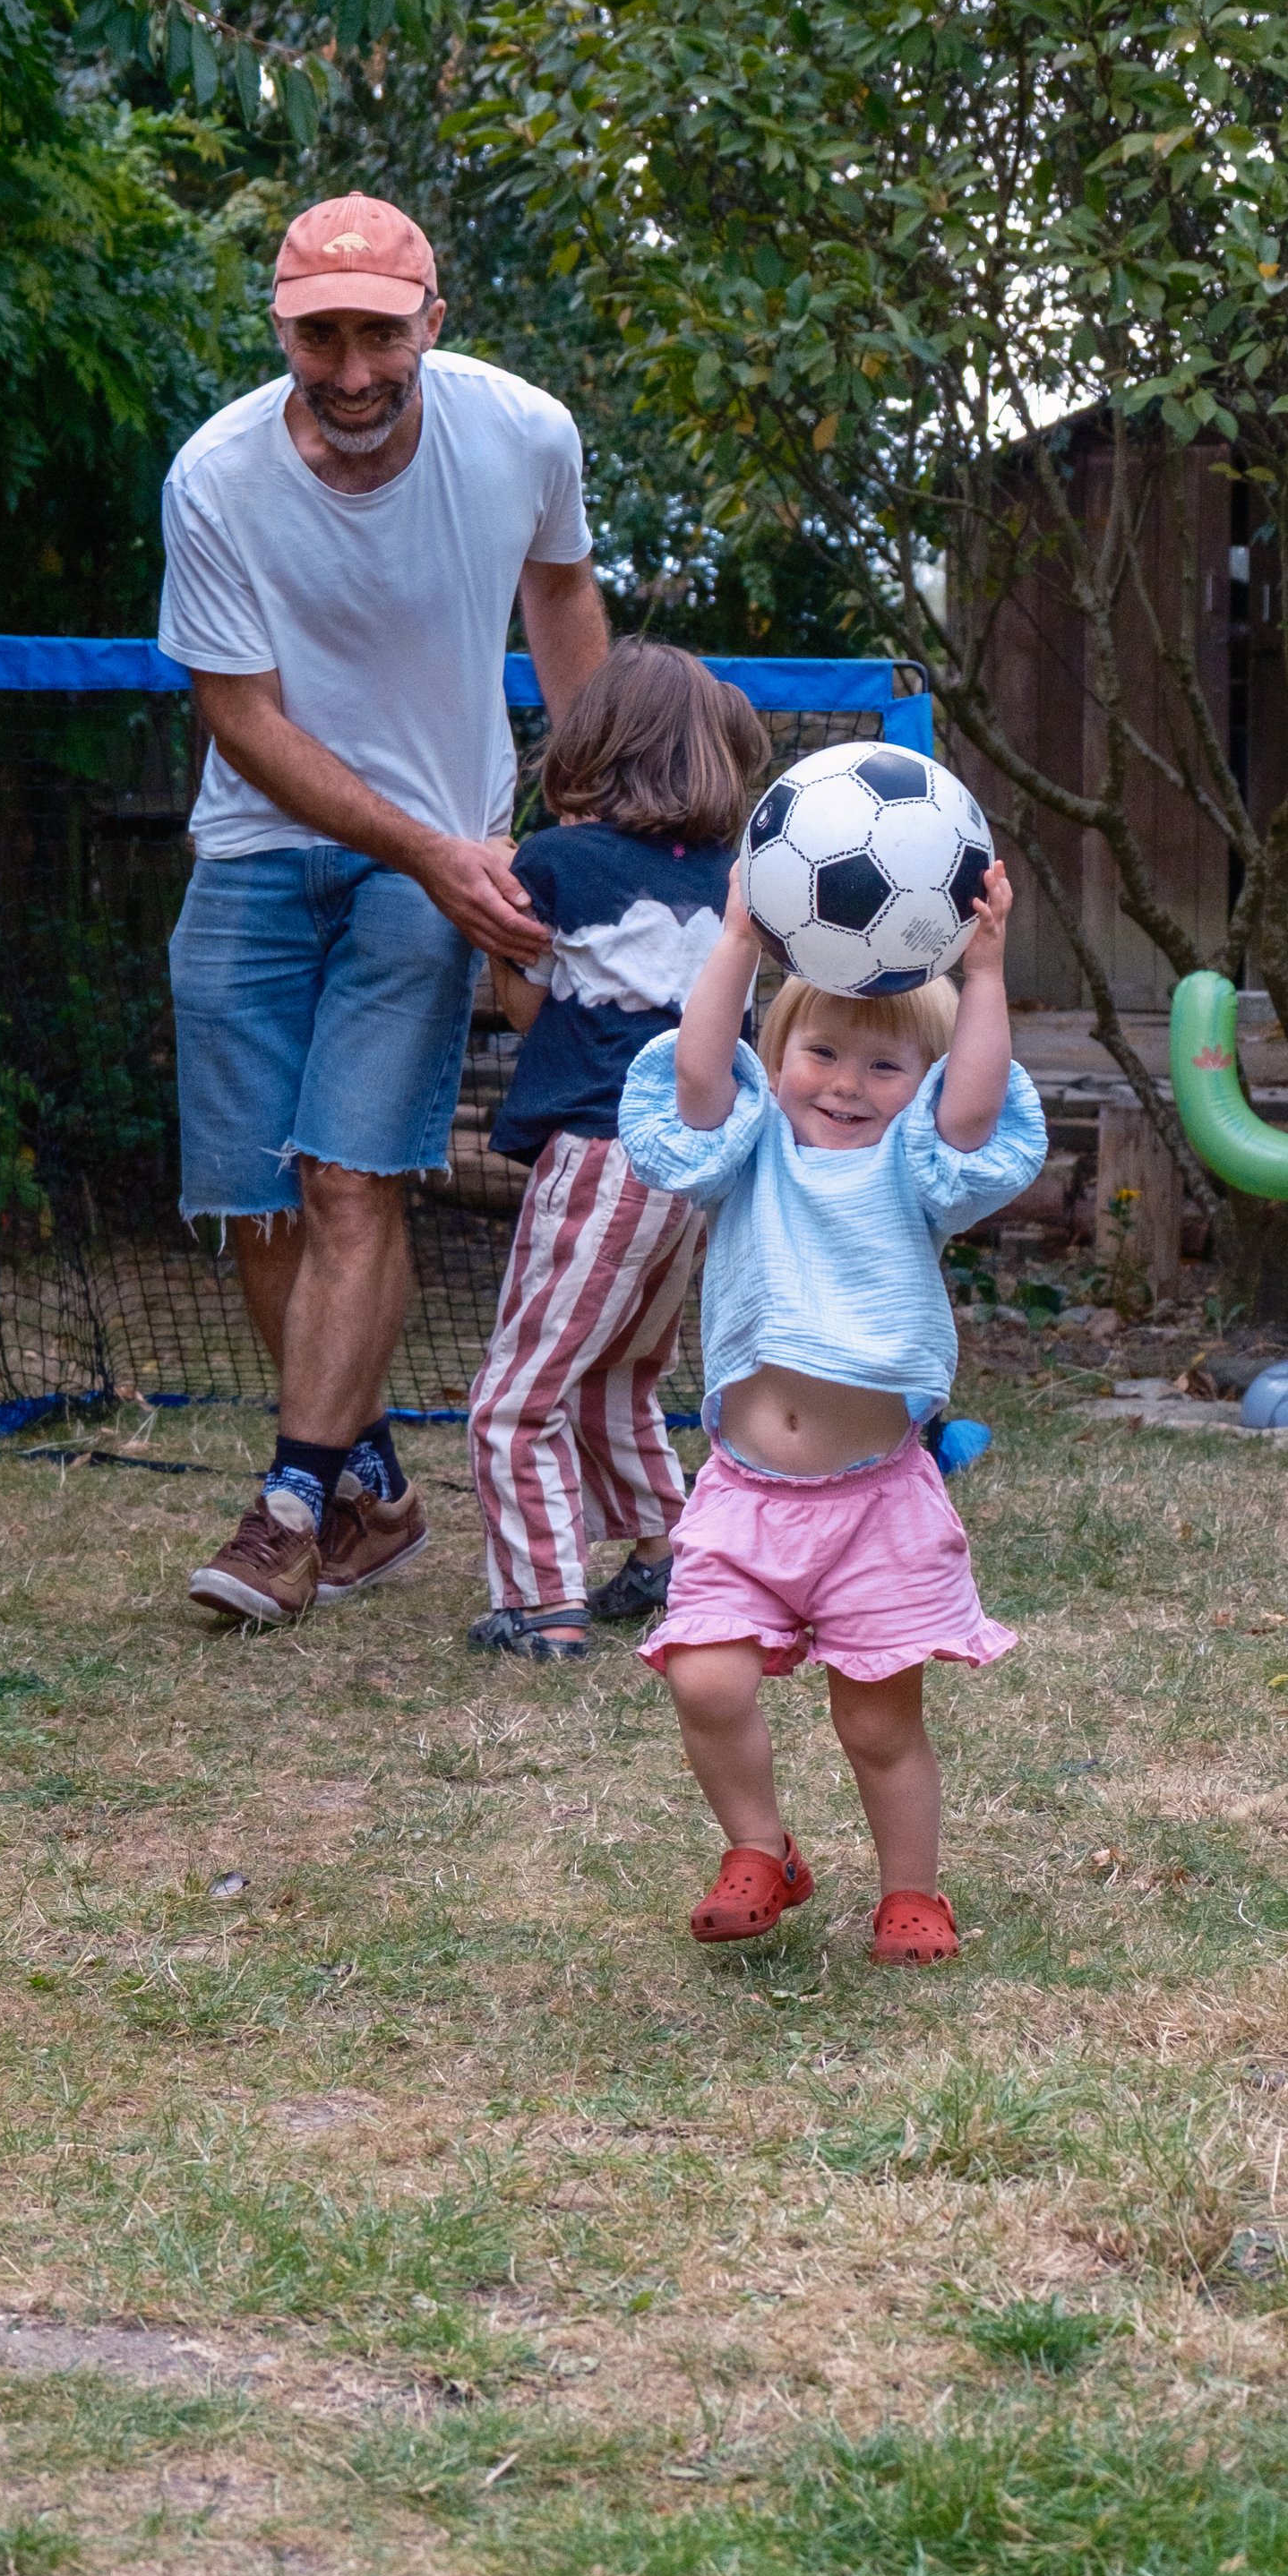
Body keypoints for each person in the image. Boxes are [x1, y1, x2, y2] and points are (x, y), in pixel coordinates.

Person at [159, 192, 609, 1629]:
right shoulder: (215, 477)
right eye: (320, 336)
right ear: (282, 330)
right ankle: (375, 1493)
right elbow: (240, 714)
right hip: (254, 853)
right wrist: (420, 841)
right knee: (253, 1196)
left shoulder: (526, 434)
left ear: (433, 321)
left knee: (353, 1176)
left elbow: (562, 594)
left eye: (377, 333)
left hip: (443, 867)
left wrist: (587, 816)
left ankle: (290, 1507)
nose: (351, 369)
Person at [617, 854, 1044, 1962]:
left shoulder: (917, 1171)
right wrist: (736, 946)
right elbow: (696, 1081)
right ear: (778, 1054)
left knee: (876, 1720)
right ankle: (762, 1850)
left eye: (885, 1064)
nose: (847, 1082)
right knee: (705, 1679)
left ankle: (913, 1894)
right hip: (744, 1498)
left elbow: (975, 1107)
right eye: (820, 1053)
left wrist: (985, 967)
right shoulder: (741, 1153)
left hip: (873, 1506)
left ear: (923, 1079)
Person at [466, 640, 769, 1662]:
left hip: (602, 1156)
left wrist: (495, 922)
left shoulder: (552, 862)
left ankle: (540, 1603)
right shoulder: (738, 881)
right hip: (700, 1169)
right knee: (620, 1379)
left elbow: (521, 1005)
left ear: (593, 744)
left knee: (518, 1399)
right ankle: (668, 1556)